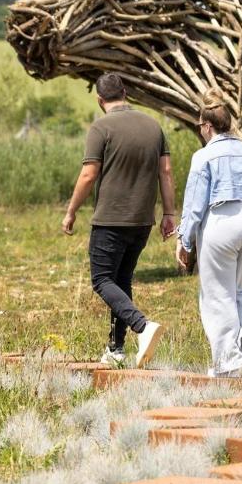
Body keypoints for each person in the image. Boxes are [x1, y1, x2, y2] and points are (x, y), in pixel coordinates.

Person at [63, 73, 176, 367]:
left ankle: (142, 326)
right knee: (121, 281)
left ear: (100, 100)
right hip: (142, 221)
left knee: (101, 280)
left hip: (111, 219)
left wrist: (71, 210)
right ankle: (115, 348)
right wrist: (168, 213)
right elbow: (165, 172)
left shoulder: (101, 128)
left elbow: (89, 175)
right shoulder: (153, 126)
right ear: (125, 92)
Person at [175, 91, 242, 376]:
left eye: (199, 126)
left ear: (207, 126)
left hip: (222, 221)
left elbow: (195, 203)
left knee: (216, 294)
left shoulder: (204, 156)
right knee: (235, 287)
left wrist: (185, 239)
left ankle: (228, 362)